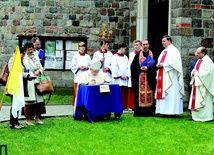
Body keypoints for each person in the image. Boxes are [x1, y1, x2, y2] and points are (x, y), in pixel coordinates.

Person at [155, 35, 184, 116]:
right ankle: (163, 111)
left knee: (171, 92)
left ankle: (171, 111)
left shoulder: (174, 51)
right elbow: (160, 61)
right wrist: (158, 65)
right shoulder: (164, 51)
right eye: (162, 41)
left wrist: (163, 65)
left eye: (164, 41)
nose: (162, 43)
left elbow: (175, 62)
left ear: (169, 41)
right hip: (163, 74)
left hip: (171, 76)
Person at [131, 39, 156, 117]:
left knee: (150, 94)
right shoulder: (138, 55)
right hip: (140, 79)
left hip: (150, 78)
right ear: (141, 45)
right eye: (144, 44)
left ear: (148, 45)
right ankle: (140, 112)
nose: (145, 46)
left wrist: (148, 69)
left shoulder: (153, 54)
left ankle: (149, 112)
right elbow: (133, 66)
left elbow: (156, 66)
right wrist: (140, 68)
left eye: (146, 44)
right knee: (140, 95)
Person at [188, 47, 214, 122]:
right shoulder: (199, 60)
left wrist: (197, 74)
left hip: (204, 85)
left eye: (198, 53)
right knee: (195, 100)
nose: (197, 54)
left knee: (204, 100)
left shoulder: (208, 62)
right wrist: (193, 72)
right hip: (197, 84)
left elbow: (208, 73)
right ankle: (196, 116)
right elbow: (196, 69)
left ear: (203, 53)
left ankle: (205, 117)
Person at [22, 42, 45, 125]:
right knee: (29, 102)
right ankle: (27, 119)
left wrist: (39, 71)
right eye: (28, 50)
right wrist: (31, 73)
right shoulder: (24, 59)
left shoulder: (36, 56)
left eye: (31, 49)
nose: (30, 51)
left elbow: (41, 67)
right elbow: (25, 70)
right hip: (29, 81)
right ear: (26, 50)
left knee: (39, 101)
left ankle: (37, 117)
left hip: (38, 81)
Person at [8, 47, 27, 129]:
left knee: (17, 103)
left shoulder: (20, 60)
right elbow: (14, 72)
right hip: (14, 85)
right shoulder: (13, 60)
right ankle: (13, 122)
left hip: (19, 85)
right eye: (23, 54)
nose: (24, 55)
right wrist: (26, 75)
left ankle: (16, 121)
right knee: (14, 104)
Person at [111, 43, 129, 109]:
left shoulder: (126, 57)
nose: (125, 50)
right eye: (125, 49)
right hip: (118, 79)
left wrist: (126, 75)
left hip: (124, 78)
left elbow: (127, 67)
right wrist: (120, 76)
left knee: (124, 93)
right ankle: (117, 106)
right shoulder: (114, 57)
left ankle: (124, 105)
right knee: (118, 93)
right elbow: (115, 67)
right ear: (121, 48)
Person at [127, 40, 142, 110]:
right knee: (132, 89)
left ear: (140, 45)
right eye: (135, 45)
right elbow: (129, 65)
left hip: (141, 73)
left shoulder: (142, 53)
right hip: (133, 73)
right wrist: (129, 74)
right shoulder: (131, 54)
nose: (136, 46)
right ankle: (132, 105)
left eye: (137, 45)